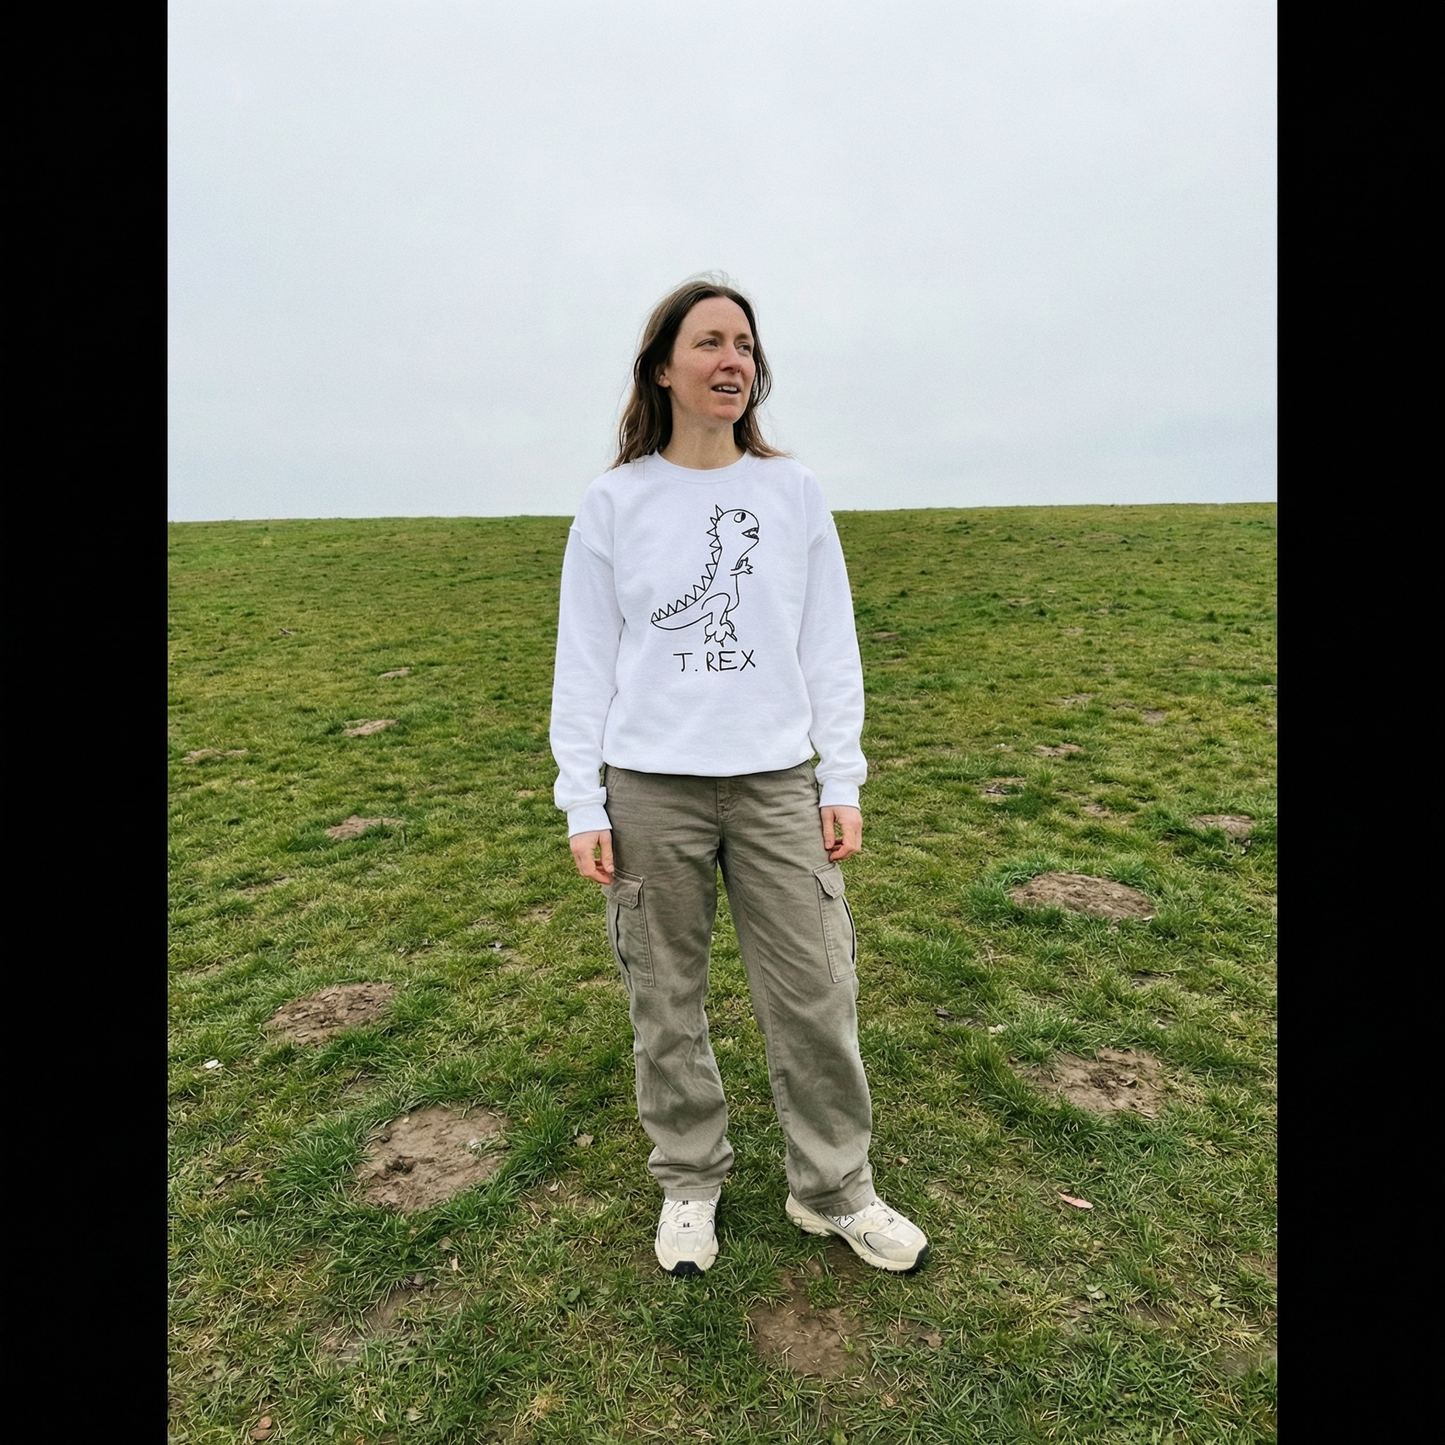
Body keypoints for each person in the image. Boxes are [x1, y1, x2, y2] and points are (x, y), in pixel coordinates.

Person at [549, 277, 929, 1278]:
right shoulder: (614, 500)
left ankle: (833, 1187)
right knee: (663, 999)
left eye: (745, 345)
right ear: (662, 366)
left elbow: (828, 642)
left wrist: (839, 774)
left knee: (813, 992)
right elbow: (583, 659)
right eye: (709, 341)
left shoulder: (790, 492)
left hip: (774, 784)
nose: (732, 360)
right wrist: (581, 796)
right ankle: (688, 1179)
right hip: (648, 786)